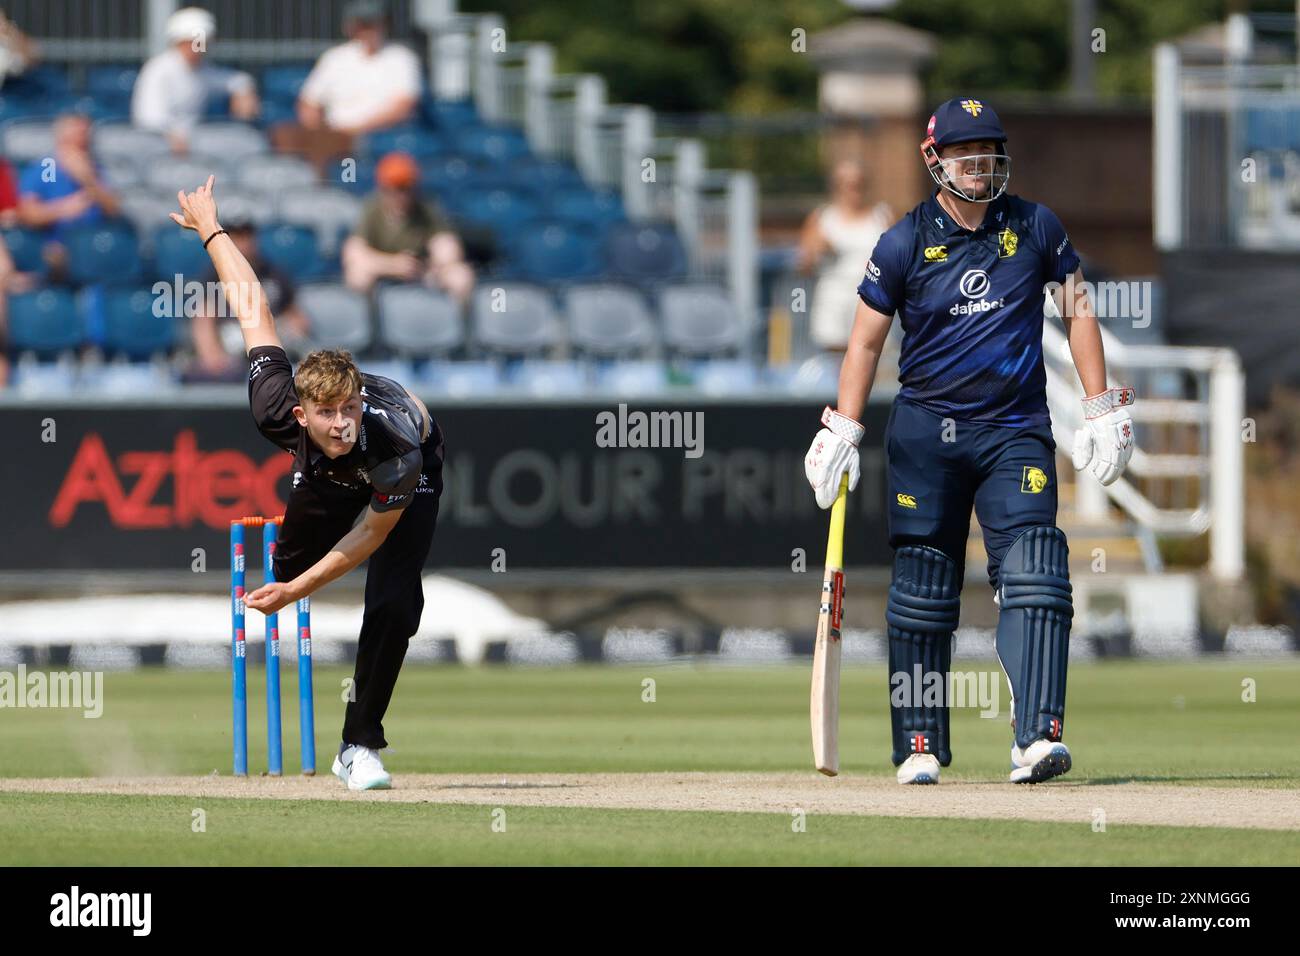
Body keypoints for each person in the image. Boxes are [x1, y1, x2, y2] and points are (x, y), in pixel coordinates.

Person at [803, 98, 1136, 786]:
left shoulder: (1036, 225)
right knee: (925, 587)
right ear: (936, 160)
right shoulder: (902, 241)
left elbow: (1077, 312)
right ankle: (920, 742)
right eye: (964, 155)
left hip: (1015, 431)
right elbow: (865, 342)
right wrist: (841, 425)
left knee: (1039, 572)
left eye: (987, 153)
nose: (979, 167)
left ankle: (1036, 738)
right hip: (927, 436)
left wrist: (1099, 404)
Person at [170, 175, 445, 791]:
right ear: (302, 415)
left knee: (396, 603)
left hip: (410, 464)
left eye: (349, 409)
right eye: (329, 414)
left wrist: (297, 591)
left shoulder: (395, 447)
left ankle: (359, 746)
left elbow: (369, 537)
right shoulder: (276, 405)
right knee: (285, 560)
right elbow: (252, 306)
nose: (343, 423)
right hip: (322, 475)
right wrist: (211, 229)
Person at [274, 0, 420, 175]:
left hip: (380, 135)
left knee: (345, 157)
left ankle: (344, 185)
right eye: (363, 24)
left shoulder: (401, 58)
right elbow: (308, 102)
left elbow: (403, 107)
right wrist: (317, 129)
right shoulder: (335, 58)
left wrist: (355, 129)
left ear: (384, 25)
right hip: (334, 135)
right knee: (285, 135)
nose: (368, 30)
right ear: (351, 26)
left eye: (373, 24)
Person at [186, 216, 311, 382]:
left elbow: (296, 317)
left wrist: (292, 331)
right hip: (232, 347)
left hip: (271, 344)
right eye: (236, 236)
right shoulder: (214, 273)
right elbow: (203, 320)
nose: (242, 242)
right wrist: (212, 354)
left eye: (246, 235)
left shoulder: (272, 271)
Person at [342, 152, 474, 301]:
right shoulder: (372, 208)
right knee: (357, 275)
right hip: (384, 269)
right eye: (393, 189)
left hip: (422, 271)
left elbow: (446, 245)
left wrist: (437, 264)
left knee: (461, 275)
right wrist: (393, 264)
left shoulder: (426, 208)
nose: (400, 195)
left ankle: (452, 322)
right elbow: (353, 253)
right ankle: (371, 322)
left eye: (405, 188)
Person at [131, 6, 259, 154]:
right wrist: (172, 136)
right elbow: (149, 118)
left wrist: (244, 91)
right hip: (158, 144)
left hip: (192, 143)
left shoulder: (203, 69)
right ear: (180, 41)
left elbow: (235, 80)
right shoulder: (158, 70)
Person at [797, 159, 892, 354]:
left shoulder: (882, 216)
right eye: (846, 184)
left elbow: (901, 259)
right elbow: (803, 266)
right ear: (836, 187)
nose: (853, 190)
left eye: (858, 184)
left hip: (875, 300)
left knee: (879, 358)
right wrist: (816, 251)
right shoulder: (822, 218)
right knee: (835, 363)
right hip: (834, 302)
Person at [17, 113, 121, 276]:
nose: (82, 139)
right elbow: (28, 213)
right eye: (75, 134)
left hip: (95, 246)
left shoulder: (95, 169)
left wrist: (87, 179)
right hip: (55, 248)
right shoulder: (47, 168)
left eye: (84, 134)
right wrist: (63, 209)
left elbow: (114, 209)